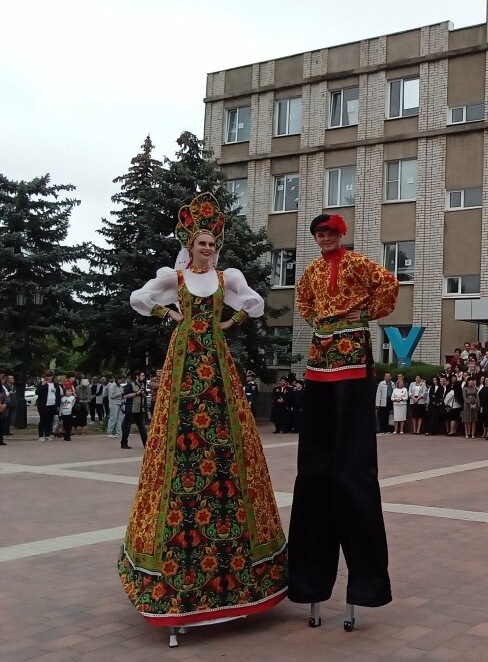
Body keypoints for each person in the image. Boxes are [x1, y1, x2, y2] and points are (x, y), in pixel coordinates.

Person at [120, 193, 287, 632]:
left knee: (229, 431)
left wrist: (230, 324)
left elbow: (254, 303)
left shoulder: (227, 277)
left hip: (215, 358)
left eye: (213, 244)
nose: (208, 249)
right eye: (202, 243)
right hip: (182, 362)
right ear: (189, 245)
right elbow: (138, 298)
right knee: (176, 435)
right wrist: (167, 313)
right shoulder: (172, 277)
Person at [287, 212, 398, 615]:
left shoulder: (357, 263)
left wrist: (367, 313)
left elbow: (389, 282)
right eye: (319, 234)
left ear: (340, 235)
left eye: (330, 233)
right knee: (316, 457)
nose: (324, 239)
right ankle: (310, 577)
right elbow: (302, 299)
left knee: (351, 457)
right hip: (321, 350)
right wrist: (314, 316)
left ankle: (363, 582)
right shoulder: (313, 271)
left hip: (351, 346)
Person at [120, 371, 148, 449]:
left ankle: (146, 444)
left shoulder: (142, 384)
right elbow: (125, 395)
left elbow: (144, 395)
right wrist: (136, 393)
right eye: (142, 375)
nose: (144, 377)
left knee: (142, 427)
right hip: (131, 409)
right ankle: (124, 443)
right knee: (127, 427)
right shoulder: (130, 385)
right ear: (137, 376)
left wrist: (143, 393)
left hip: (140, 410)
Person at [35, 370, 62, 442]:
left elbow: (58, 395)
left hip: (52, 405)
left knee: (50, 421)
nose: (48, 378)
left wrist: (57, 405)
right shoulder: (42, 384)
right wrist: (42, 385)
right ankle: (41, 435)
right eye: (46, 376)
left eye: (49, 376)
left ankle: (47, 435)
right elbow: (37, 392)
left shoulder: (55, 385)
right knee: (43, 420)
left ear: (52, 377)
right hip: (43, 405)